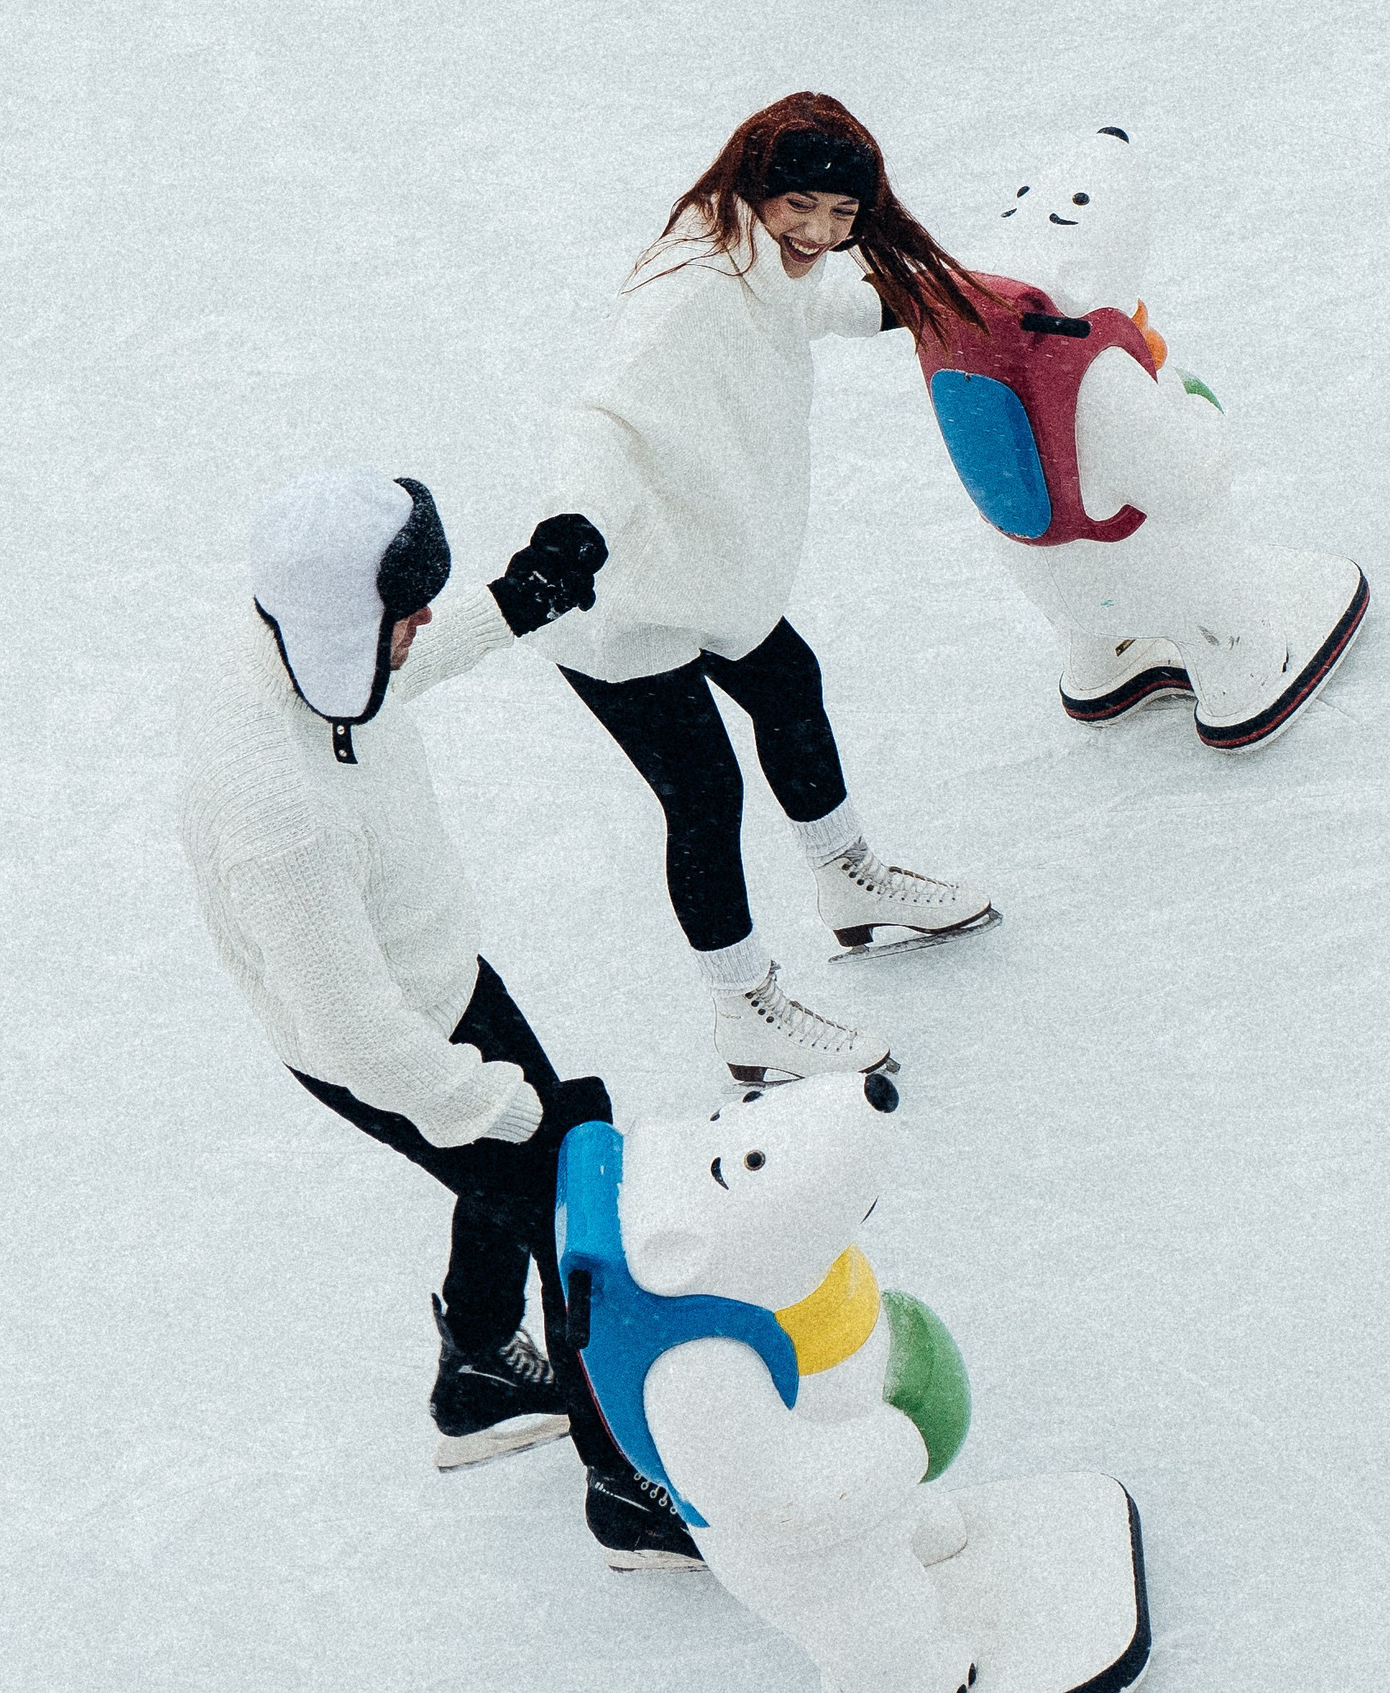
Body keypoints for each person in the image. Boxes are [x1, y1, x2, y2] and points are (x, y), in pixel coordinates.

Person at [177, 468, 701, 1569]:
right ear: (338, 625)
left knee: (520, 1178)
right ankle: (623, 1486)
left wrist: (517, 602)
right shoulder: (276, 811)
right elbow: (356, 1038)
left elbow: (386, 676)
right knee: (570, 1211)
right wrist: (507, 1111)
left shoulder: (302, 656)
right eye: (403, 609)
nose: (417, 624)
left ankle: (474, 1365)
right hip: (383, 1040)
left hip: (434, 972)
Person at [535, 92, 998, 1088]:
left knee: (788, 681)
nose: (821, 234)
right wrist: (571, 528)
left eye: (842, 216)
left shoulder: (756, 255)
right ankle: (747, 1010)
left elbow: (812, 298)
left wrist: (908, 300)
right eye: (803, 208)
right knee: (704, 794)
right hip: (616, 594)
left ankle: (846, 877)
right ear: (757, 188)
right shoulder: (691, 288)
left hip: (700, 570)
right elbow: (601, 416)